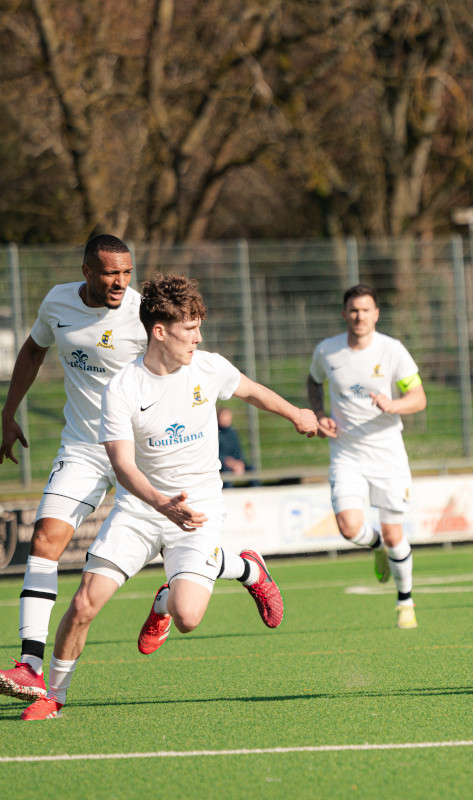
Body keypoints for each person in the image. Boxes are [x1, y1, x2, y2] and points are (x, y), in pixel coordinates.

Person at [19, 274, 319, 720]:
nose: (198, 338)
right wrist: (160, 504)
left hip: (197, 511)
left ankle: (240, 570)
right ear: (159, 331)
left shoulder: (209, 367)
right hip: (140, 510)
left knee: (188, 617)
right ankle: (54, 696)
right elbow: (122, 465)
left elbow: (253, 391)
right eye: (189, 329)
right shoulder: (124, 388)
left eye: (199, 326)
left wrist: (297, 414)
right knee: (83, 604)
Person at [0, 235, 147, 703]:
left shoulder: (143, 316)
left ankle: (246, 570)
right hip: (83, 447)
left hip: (141, 451)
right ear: (86, 271)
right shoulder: (58, 301)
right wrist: (8, 413)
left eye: (126, 273)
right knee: (44, 538)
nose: (120, 283)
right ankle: (29, 664)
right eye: (110, 273)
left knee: (189, 573)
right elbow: (32, 350)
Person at [307, 284, 426, 629]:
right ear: (344, 314)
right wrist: (319, 414)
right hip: (346, 453)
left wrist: (395, 404)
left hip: (387, 455)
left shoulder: (393, 351)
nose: (360, 316)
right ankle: (374, 546)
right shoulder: (327, 351)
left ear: (376, 314)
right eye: (353, 310)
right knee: (348, 527)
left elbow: (418, 398)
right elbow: (313, 382)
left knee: (394, 534)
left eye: (366, 310)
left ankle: (405, 600)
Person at [217, 406, 253, 479]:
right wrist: (228, 462)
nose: (226, 419)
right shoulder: (214, 433)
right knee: (226, 473)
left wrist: (240, 463)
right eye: (224, 416)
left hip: (234, 464)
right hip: (222, 465)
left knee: (252, 469)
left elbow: (238, 450)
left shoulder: (233, 433)